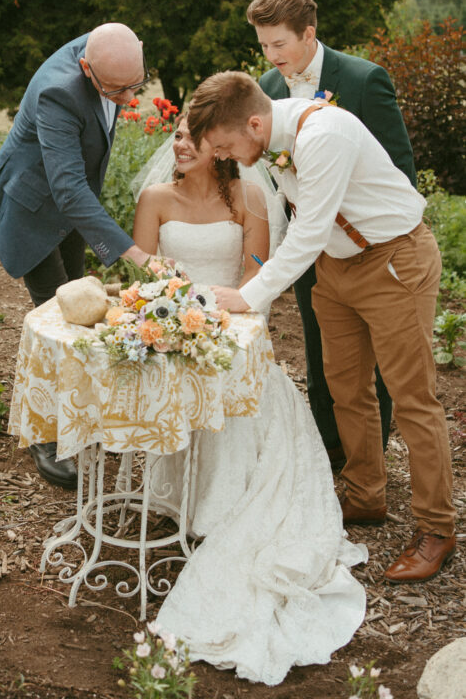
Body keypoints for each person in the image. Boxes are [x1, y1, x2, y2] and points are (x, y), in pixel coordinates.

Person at [186, 70, 456, 583]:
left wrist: (248, 296)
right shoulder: (270, 140)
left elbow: (308, 231)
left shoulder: (323, 135)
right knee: (345, 388)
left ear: (255, 122)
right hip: (337, 268)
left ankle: (437, 529)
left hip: (394, 261)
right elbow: (300, 229)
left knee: (412, 397)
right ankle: (365, 494)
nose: (219, 155)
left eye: (223, 145)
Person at [132, 118, 366, 686]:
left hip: (233, 323)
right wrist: (172, 312)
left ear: (218, 149)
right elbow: (139, 269)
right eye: (177, 137)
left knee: (240, 386)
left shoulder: (250, 195)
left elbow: (258, 269)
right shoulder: (155, 198)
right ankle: (184, 492)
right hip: (175, 329)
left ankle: (230, 499)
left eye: (192, 138)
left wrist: (224, 317)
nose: (180, 146)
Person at [246, 0, 416, 470]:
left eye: (279, 43)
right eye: (263, 45)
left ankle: (371, 460)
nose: (272, 55)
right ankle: (329, 454)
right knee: (322, 357)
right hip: (308, 250)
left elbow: (399, 174)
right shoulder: (267, 89)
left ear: (309, 33)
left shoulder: (363, 80)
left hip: (370, 251)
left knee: (374, 364)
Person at [0, 24, 152, 489]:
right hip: (34, 210)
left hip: (73, 210)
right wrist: (132, 253)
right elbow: (68, 187)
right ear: (85, 69)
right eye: (118, 90)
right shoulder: (58, 91)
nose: (129, 97)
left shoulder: (114, 55)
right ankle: (46, 436)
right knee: (56, 321)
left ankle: (84, 417)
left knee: (84, 319)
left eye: (135, 85)